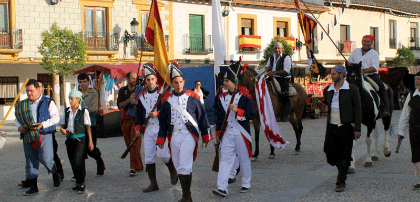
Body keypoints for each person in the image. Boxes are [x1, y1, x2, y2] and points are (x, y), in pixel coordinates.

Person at [157, 63, 213, 202]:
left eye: (180, 82)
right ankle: (186, 194)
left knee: (184, 166)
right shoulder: (167, 101)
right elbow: (163, 122)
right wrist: (161, 138)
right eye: (175, 82)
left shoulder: (193, 97)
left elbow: (202, 117)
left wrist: (205, 135)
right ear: (171, 84)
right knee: (178, 166)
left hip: (189, 136)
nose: (178, 85)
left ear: (184, 82)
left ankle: (187, 196)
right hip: (174, 136)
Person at [212, 61, 255, 197]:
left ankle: (246, 183)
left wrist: (238, 111)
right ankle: (222, 187)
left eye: (226, 81)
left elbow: (251, 115)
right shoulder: (221, 97)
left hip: (241, 133)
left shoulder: (245, 96)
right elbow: (219, 118)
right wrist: (218, 134)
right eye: (224, 80)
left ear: (234, 81)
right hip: (227, 134)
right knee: (225, 160)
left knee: (244, 159)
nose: (224, 83)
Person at [135, 64, 177, 192]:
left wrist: (157, 114)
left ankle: (172, 169)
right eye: (148, 80)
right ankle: (153, 184)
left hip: (160, 128)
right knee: (148, 157)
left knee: (163, 155)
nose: (150, 82)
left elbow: (170, 111)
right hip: (148, 129)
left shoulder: (163, 94)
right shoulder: (141, 95)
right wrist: (137, 128)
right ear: (145, 81)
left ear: (156, 80)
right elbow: (139, 114)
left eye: (152, 79)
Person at [14, 79, 61, 195]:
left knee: (46, 159)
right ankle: (34, 186)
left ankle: (55, 173)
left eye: (31, 91)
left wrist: (43, 125)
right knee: (31, 161)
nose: (29, 93)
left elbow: (56, 118)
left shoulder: (48, 102)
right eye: (27, 91)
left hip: (44, 134)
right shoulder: (23, 104)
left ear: (38, 89)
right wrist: (19, 127)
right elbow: (17, 118)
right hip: (28, 134)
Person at [322, 65, 362, 192]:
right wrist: (326, 108)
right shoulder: (328, 89)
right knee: (329, 153)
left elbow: (357, 109)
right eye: (331, 74)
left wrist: (357, 128)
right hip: (331, 126)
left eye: (334, 74)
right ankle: (341, 169)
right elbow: (326, 103)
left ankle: (341, 181)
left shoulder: (352, 89)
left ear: (341, 74)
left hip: (346, 127)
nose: (332, 76)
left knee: (344, 154)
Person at [59, 90, 94, 194]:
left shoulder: (84, 111)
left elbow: (88, 127)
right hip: (70, 139)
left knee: (78, 160)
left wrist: (90, 142)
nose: (70, 101)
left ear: (78, 99)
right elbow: (62, 127)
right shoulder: (66, 111)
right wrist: (63, 130)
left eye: (71, 99)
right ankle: (77, 184)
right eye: (69, 98)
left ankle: (82, 183)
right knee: (72, 161)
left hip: (80, 139)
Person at [348, 35, 390, 117]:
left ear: (371, 43)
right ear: (362, 42)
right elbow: (350, 61)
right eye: (364, 41)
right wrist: (350, 65)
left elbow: (374, 68)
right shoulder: (356, 51)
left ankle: (385, 108)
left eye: (368, 41)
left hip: (370, 75)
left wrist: (362, 71)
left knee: (381, 87)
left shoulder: (374, 53)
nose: (366, 43)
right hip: (356, 76)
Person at [78, 73, 105, 177]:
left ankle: (100, 161)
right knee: (80, 149)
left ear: (89, 82)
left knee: (91, 148)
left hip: (91, 123)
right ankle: (81, 172)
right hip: (79, 124)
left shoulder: (94, 93)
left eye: (84, 81)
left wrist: (80, 108)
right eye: (80, 82)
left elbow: (93, 109)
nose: (83, 84)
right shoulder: (77, 93)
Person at [117, 71, 143, 175]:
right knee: (129, 143)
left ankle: (133, 167)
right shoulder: (122, 90)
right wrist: (129, 100)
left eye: (136, 78)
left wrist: (136, 102)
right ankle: (139, 165)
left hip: (137, 120)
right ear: (127, 79)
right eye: (132, 78)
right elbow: (120, 106)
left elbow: (145, 104)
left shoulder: (141, 90)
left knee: (135, 143)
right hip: (126, 118)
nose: (134, 80)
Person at [397, 71, 420, 190]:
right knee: (416, 156)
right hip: (415, 130)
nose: (416, 81)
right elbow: (405, 114)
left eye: (418, 79)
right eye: (415, 79)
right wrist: (401, 131)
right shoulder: (411, 95)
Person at [265, 42, 292, 122]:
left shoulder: (286, 57)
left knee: (284, 93)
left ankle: (286, 114)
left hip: (284, 78)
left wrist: (274, 72)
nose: (277, 50)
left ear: (282, 49)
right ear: (273, 49)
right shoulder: (271, 57)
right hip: (273, 77)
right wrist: (268, 68)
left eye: (278, 48)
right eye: (275, 48)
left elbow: (286, 70)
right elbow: (267, 66)